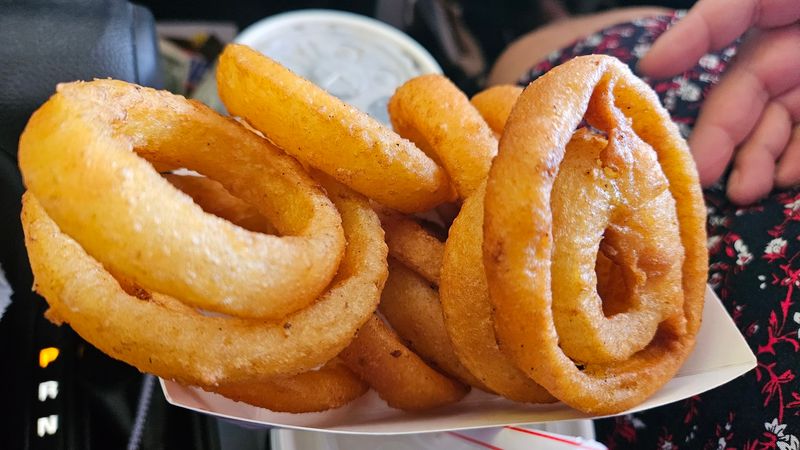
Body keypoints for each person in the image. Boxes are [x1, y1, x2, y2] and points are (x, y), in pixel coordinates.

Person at [489, 1, 800, 448]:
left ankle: (525, 22)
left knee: (532, 53)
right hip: (735, 110)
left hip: (621, 401)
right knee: (540, 53)